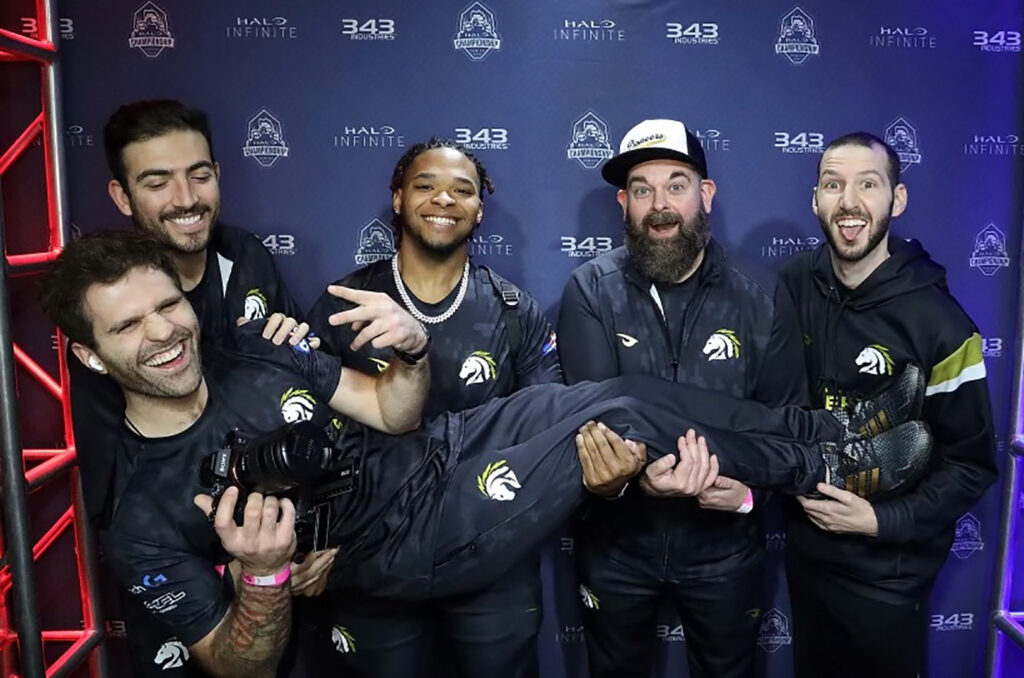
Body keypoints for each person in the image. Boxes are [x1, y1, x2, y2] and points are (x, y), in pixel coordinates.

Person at [42, 232, 926, 677]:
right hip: (413, 541)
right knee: (615, 411)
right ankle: (831, 457)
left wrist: (414, 353)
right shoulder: (143, 516)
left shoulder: (255, 353)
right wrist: (265, 577)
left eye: (168, 306)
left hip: (441, 447)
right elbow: (238, 665)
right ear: (87, 354)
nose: (164, 334)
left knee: (614, 397)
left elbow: (389, 413)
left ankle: (825, 439)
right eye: (129, 326)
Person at [557, 118, 807, 678]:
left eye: (677, 184)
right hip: (616, 546)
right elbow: (591, 422)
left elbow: (788, 423)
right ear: (623, 203)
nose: (660, 204)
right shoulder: (590, 290)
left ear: (706, 195)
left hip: (726, 550)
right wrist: (633, 479)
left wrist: (747, 494)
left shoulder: (762, 294)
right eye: (642, 189)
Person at [306, 139, 561, 676]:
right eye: (425, 186)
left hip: (490, 561)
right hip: (373, 561)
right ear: (397, 198)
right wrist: (319, 538)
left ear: (479, 209)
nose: (444, 199)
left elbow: (545, 432)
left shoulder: (514, 311)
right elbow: (310, 437)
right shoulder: (345, 306)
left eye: (461, 190)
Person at [778, 132, 998, 677]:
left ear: (896, 200)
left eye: (868, 184)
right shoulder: (791, 286)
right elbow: (773, 407)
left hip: (888, 576)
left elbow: (971, 464)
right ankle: (852, 432)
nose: (849, 201)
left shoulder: (942, 324)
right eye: (834, 184)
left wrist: (882, 519)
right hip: (806, 560)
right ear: (815, 200)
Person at [71, 100, 305, 530]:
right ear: (123, 197)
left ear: (217, 175)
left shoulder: (245, 254)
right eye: (157, 183)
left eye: (199, 176)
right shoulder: (103, 306)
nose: (186, 199)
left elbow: (306, 382)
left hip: (289, 510)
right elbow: (115, 497)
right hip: (199, 551)